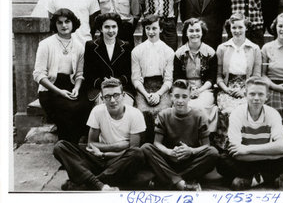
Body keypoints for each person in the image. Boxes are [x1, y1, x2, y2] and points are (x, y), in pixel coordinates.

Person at [53, 77, 146, 191]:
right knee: (61, 146)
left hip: (119, 161)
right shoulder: (97, 111)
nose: (112, 100)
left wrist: (105, 154)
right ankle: (99, 184)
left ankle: (89, 183)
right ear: (102, 98)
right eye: (107, 96)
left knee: (137, 154)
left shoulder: (135, 114)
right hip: (98, 159)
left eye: (116, 95)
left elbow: (133, 149)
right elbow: (91, 144)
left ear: (123, 96)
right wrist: (117, 146)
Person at [216, 76, 283, 190]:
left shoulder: (272, 113)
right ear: (246, 94)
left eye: (261, 94)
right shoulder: (237, 113)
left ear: (267, 96)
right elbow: (238, 154)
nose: (256, 98)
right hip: (250, 160)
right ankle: (268, 176)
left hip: (252, 156)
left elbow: (282, 146)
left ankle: (250, 179)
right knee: (222, 162)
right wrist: (274, 156)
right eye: (252, 94)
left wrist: (247, 149)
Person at [142, 80, 219, 191]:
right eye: (177, 96)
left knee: (213, 153)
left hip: (190, 161)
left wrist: (191, 151)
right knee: (146, 148)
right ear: (171, 96)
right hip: (169, 160)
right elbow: (157, 143)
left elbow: (206, 145)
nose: (180, 101)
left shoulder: (199, 115)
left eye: (184, 96)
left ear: (189, 97)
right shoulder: (164, 115)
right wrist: (168, 152)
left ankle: (167, 180)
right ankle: (182, 182)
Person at [33, 8, 90, 144]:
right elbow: (38, 74)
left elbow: (79, 74)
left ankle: (73, 146)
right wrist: (59, 92)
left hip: (69, 86)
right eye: (60, 22)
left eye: (67, 21)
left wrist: (76, 88)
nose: (64, 26)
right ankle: (67, 150)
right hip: (50, 90)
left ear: (73, 23)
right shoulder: (45, 44)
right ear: (55, 25)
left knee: (85, 106)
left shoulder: (79, 46)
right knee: (67, 110)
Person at [213, 13, 262, 152]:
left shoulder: (254, 48)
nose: (237, 30)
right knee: (228, 110)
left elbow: (257, 76)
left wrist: (245, 91)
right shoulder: (222, 48)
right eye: (234, 27)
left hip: (248, 88)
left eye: (240, 27)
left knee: (245, 109)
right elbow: (218, 77)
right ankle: (226, 147)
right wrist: (227, 90)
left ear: (246, 28)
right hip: (227, 88)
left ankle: (246, 146)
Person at [131, 14, 174, 143]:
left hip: (162, 88)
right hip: (143, 88)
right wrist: (145, 93)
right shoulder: (137, 51)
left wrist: (159, 94)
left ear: (160, 29)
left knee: (164, 111)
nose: (151, 32)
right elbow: (136, 78)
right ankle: (145, 146)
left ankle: (161, 146)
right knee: (142, 112)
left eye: (154, 28)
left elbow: (168, 79)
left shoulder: (168, 51)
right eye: (148, 28)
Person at [174, 18, 218, 132]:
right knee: (184, 106)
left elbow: (211, 77)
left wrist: (199, 90)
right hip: (184, 88)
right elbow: (178, 76)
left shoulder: (210, 53)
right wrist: (189, 89)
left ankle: (202, 137)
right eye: (191, 31)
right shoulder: (179, 54)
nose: (194, 34)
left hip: (205, 89)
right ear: (186, 33)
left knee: (198, 107)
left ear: (202, 32)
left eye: (197, 30)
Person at [83, 13, 134, 105]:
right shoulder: (91, 46)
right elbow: (88, 73)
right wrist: (103, 83)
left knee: (125, 106)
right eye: (107, 27)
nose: (111, 30)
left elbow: (129, 72)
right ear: (100, 29)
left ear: (118, 28)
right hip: (99, 89)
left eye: (114, 27)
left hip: (122, 88)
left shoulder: (126, 46)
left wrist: (118, 81)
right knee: (103, 107)